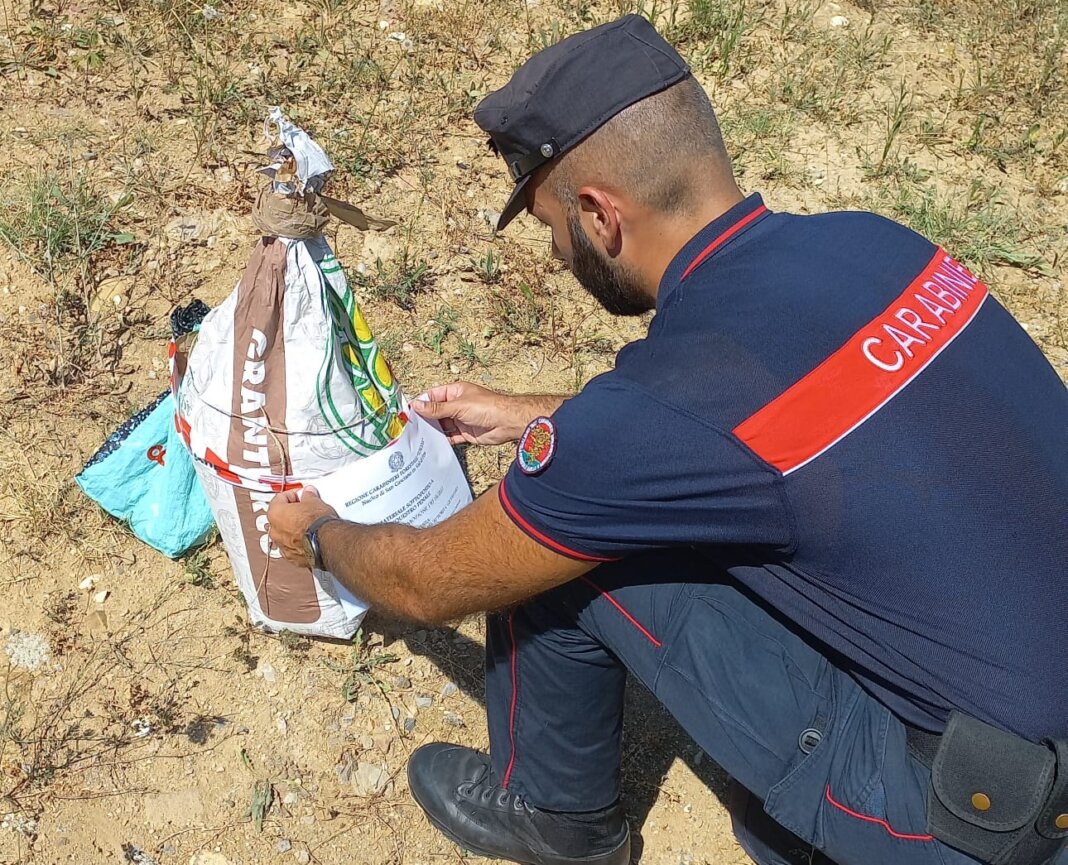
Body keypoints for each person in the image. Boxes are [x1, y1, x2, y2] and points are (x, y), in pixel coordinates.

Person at [268, 15, 1068, 865]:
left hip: (980, 816)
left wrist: (319, 533)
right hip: (1024, 723)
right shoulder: (877, 244)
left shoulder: (660, 415)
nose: (553, 251)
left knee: (562, 552)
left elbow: (432, 583)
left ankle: (551, 814)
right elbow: (788, 432)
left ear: (599, 215)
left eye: (551, 225)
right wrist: (540, 414)